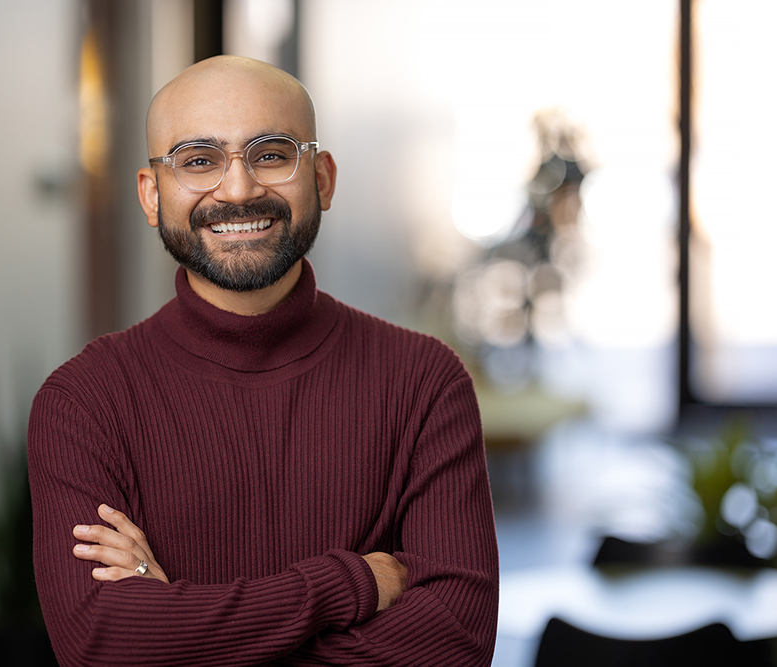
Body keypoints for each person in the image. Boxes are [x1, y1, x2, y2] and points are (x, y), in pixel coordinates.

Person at [28, 55, 499, 666]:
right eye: (198, 161)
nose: (239, 188)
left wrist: (174, 619)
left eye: (272, 153)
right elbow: (101, 644)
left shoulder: (425, 383)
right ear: (151, 194)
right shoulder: (83, 403)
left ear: (322, 179)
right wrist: (347, 585)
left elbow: (454, 645)